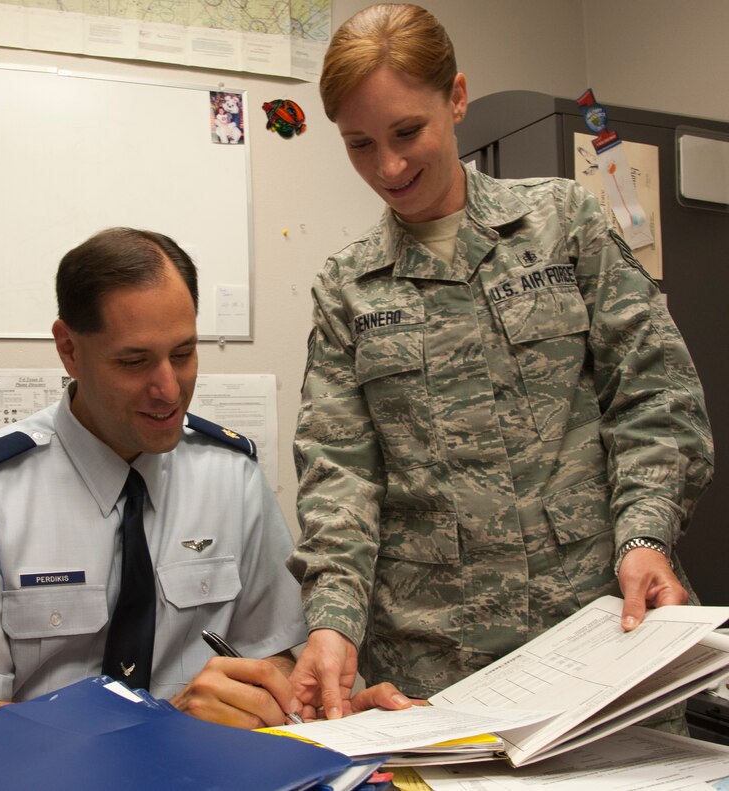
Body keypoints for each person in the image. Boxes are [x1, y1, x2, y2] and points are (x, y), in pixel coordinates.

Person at [287, 3, 713, 728]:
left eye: (406, 132)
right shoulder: (348, 286)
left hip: (603, 632)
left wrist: (645, 534)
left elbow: (654, 395)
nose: (387, 167)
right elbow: (341, 476)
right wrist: (332, 619)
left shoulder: (562, 224)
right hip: (435, 667)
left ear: (455, 98)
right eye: (359, 144)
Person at [0, 227, 409, 747]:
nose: (169, 390)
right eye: (134, 361)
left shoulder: (230, 473)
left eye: (183, 353)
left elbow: (275, 652)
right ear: (69, 349)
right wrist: (160, 726)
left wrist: (319, 709)